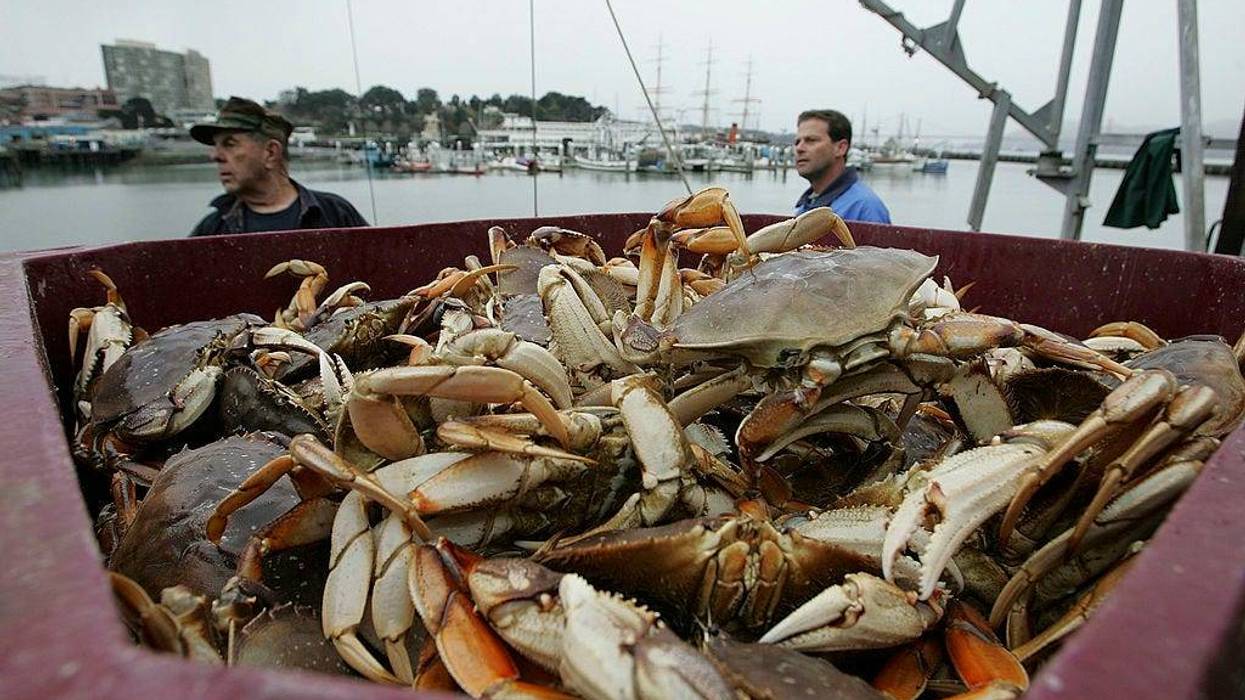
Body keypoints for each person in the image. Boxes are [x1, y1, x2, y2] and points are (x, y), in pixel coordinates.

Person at [189, 96, 368, 236]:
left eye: (229, 144)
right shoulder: (212, 229)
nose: (215, 156)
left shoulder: (335, 214)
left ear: (271, 153)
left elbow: (380, 274)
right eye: (215, 145)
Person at [793, 109, 891, 224]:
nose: (799, 148)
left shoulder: (864, 208)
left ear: (840, 148)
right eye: (797, 142)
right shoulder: (805, 206)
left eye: (811, 140)